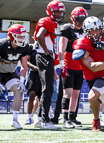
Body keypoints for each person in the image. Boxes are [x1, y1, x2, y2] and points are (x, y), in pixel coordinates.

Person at [33, 0, 65, 129]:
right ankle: (45, 121)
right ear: (50, 11)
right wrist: (47, 51)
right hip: (44, 56)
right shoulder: (46, 21)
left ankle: (39, 118)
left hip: (45, 56)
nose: (58, 14)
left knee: (47, 88)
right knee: (48, 88)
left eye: (60, 12)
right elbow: (40, 36)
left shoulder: (51, 23)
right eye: (56, 11)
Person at [58, 7, 88, 128]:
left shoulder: (86, 30)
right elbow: (61, 48)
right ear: (72, 18)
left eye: (82, 19)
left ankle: (72, 117)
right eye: (78, 19)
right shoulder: (67, 29)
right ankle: (65, 119)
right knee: (68, 93)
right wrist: (61, 65)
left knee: (76, 93)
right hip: (69, 64)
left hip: (80, 66)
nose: (80, 22)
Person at [0, 24, 31, 129]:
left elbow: (24, 65)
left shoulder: (24, 47)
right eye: (19, 36)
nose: (22, 39)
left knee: (19, 90)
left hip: (9, 73)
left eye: (23, 36)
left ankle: (14, 120)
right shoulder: (2, 44)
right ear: (11, 36)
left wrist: (22, 81)